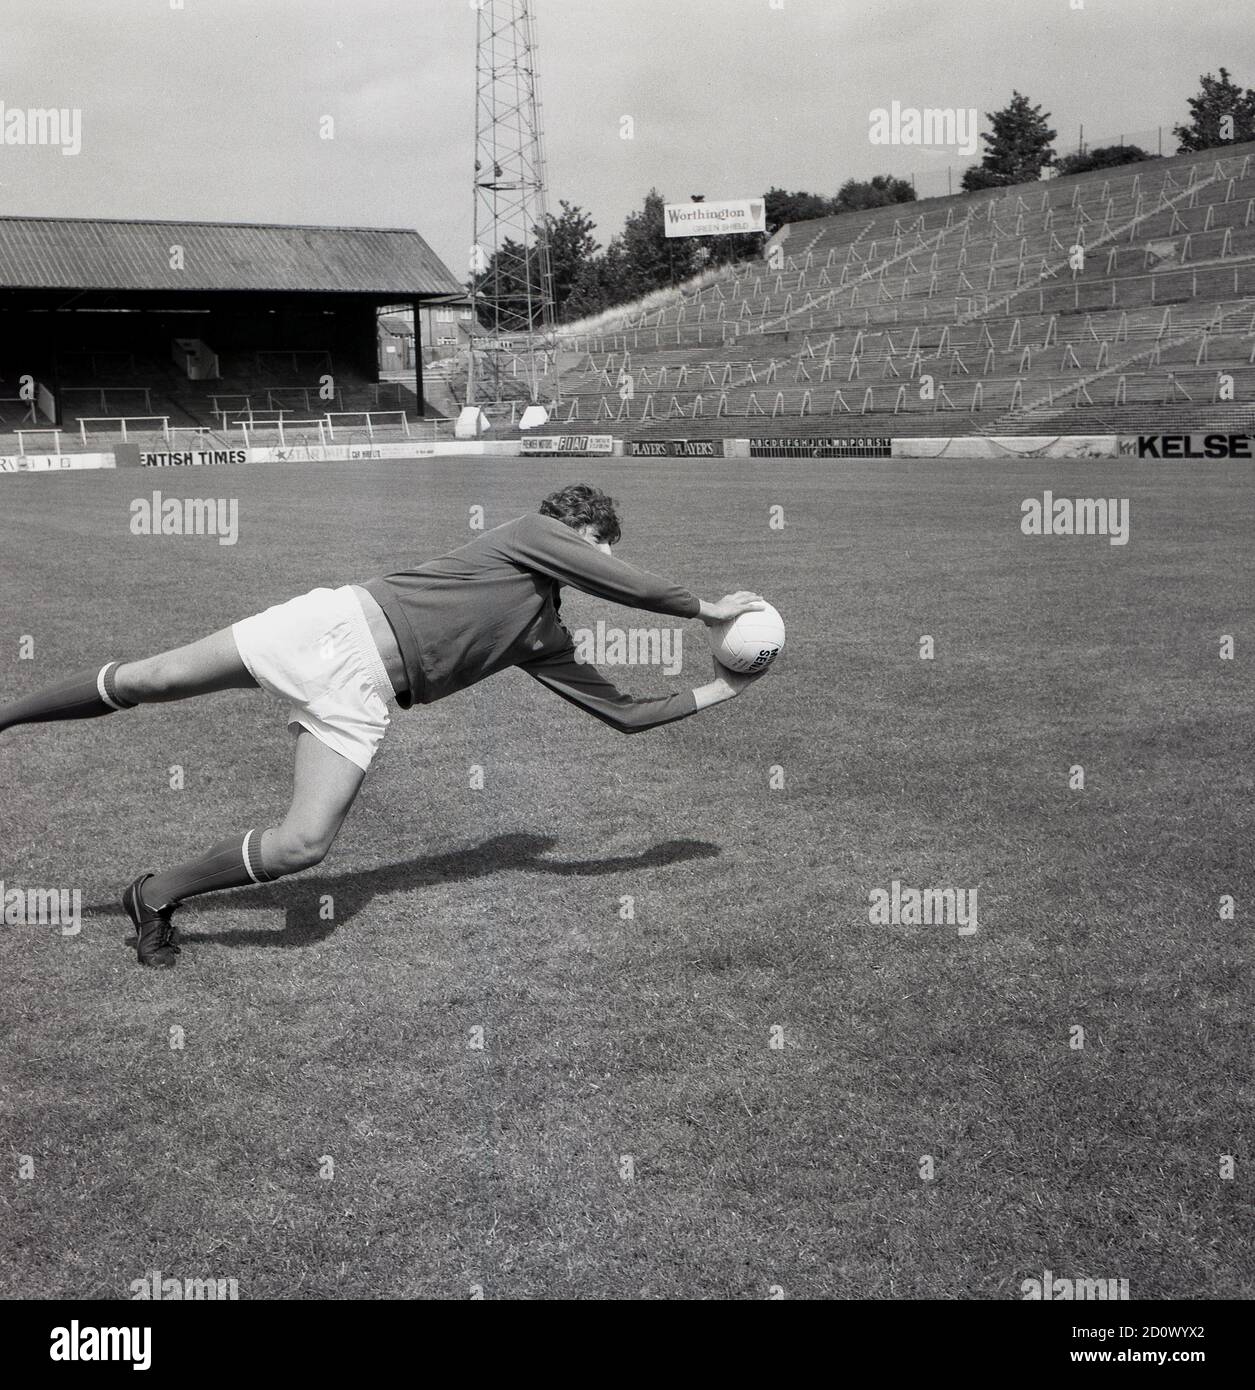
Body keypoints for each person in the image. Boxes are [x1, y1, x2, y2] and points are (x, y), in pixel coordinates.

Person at [0, 484, 768, 968]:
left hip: (359, 695)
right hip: (326, 631)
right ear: (574, 537)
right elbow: (621, 580)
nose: (592, 561)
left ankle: (155, 895)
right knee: (152, 678)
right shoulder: (526, 535)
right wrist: (704, 609)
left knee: (304, 844)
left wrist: (722, 690)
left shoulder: (546, 638)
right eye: (593, 548)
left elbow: (626, 716)